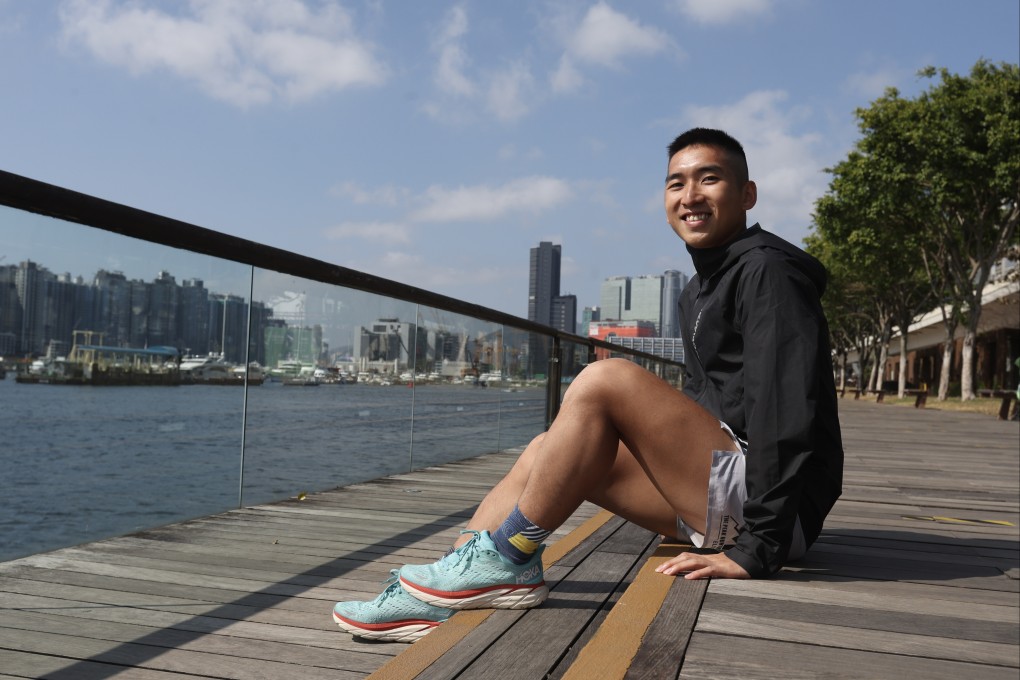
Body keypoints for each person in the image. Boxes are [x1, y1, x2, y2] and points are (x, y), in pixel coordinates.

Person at [332, 128, 845, 642]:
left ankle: (509, 557)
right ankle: (449, 586)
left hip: (775, 515)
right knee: (546, 451)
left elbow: (785, 413)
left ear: (747, 194)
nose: (690, 196)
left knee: (606, 378)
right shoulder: (699, 289)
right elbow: (702, 406)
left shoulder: (767, 274)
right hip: (727, 494)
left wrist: (758, 549)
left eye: (708, 179)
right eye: (676, 183)